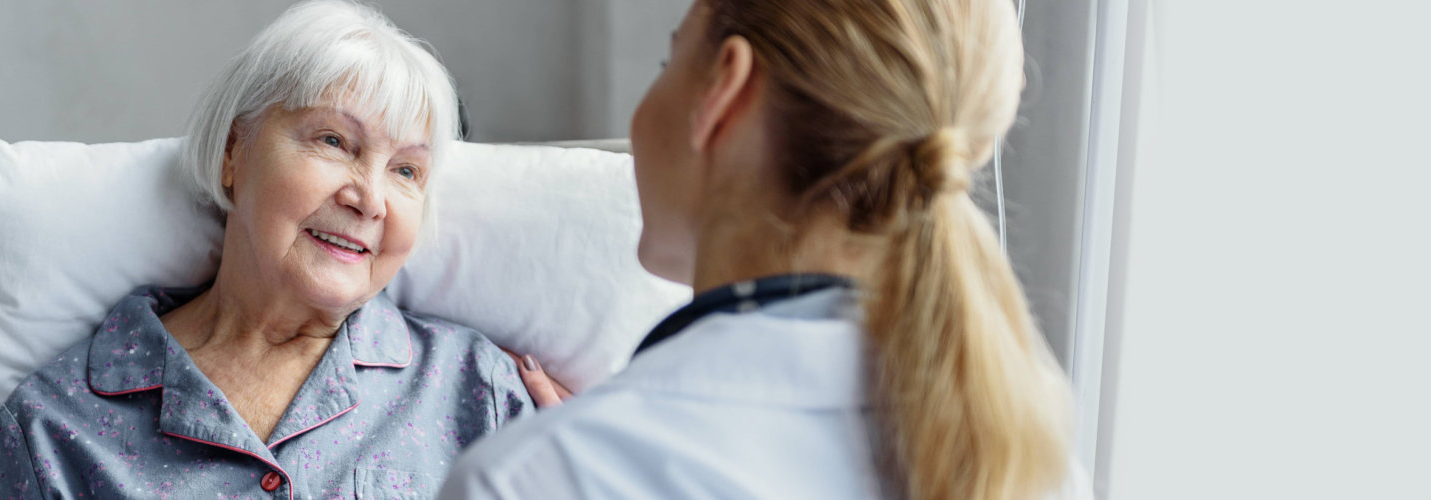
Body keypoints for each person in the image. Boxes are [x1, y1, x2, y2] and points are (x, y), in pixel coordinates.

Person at [441, 0, 1087, 498]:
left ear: (724, 90)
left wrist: (586, 442)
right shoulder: (1035, 465)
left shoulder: (538, 477)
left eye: (672, 61)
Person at [0, 2, 538, 498]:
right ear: (233, 150)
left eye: (407, 170)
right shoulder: (55, 423)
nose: (371, 199)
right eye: (334, 141)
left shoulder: (473, 388)